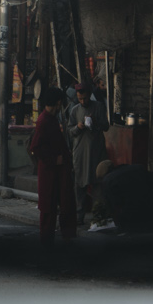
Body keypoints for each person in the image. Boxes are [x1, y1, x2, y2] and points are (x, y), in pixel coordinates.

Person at [28, 86, 72, 242]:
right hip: (49, 171)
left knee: (65, 203)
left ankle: (66, 236)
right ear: (58, 103)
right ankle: (47, 239)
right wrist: (53, 159)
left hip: (59, 171)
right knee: (48, 206)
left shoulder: (51, 119)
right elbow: (35, 147)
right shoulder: (44, 120)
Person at [66, 81, 110, 222]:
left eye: (85, 98)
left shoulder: (99, 107)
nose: (83, 101)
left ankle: (99, 216)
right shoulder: (75, 110)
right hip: (80, 152)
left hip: (96, 151)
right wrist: (78, 127)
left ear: (89, 95)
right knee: (79, 184)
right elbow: (70, 132)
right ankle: (79, 215)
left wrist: (95, 122)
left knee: (98, 184)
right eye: (80, 99)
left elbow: (106, 126)